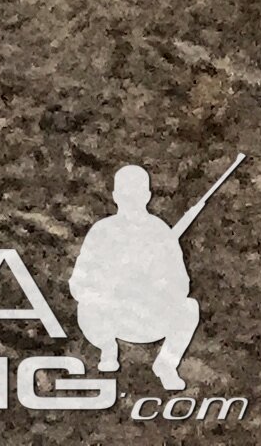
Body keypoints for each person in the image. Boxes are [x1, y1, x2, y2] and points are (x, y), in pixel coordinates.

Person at [72, 163, 206, 391]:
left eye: (136, 193)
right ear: (115, 196)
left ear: (147, 196)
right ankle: (107, 348)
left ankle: (166, 364)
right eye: (125, 193)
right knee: (86, 306)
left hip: (149, 317)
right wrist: (110, 287)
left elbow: (181, 285)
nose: (130, 199)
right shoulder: (101, 231)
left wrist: (154, 285)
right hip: (111, 318)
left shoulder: (160, 231)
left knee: (189, 308)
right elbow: (78, 284)